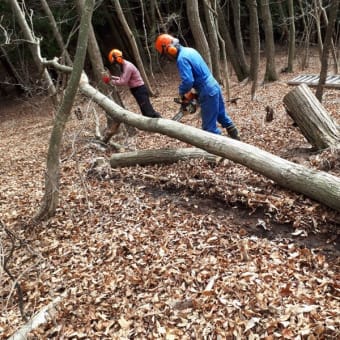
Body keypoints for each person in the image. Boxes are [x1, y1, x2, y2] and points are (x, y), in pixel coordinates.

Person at [154, 34, 240, 140]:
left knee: (209, 129)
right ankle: (236, 137)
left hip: (207, 90)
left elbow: (188, 81)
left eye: (166, 54)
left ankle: (221, 151)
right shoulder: (190, 50)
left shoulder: (181, 59)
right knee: (221, 115)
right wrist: (194, 95)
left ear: (170, 50)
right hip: (213, 85)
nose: (168, 57)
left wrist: (181, 93)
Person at [102, 49, 161, 118]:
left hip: (139, 90)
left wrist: (110, 82)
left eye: (115, 62)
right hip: (136, 90)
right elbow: (122, 78)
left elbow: (123, 81)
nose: (116, 64)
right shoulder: (124, 65)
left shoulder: (127, 67)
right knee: (145, 112)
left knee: (149, 112)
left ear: (118, 59)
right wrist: (111, 77)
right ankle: (153, 126)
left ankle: (162, 124)